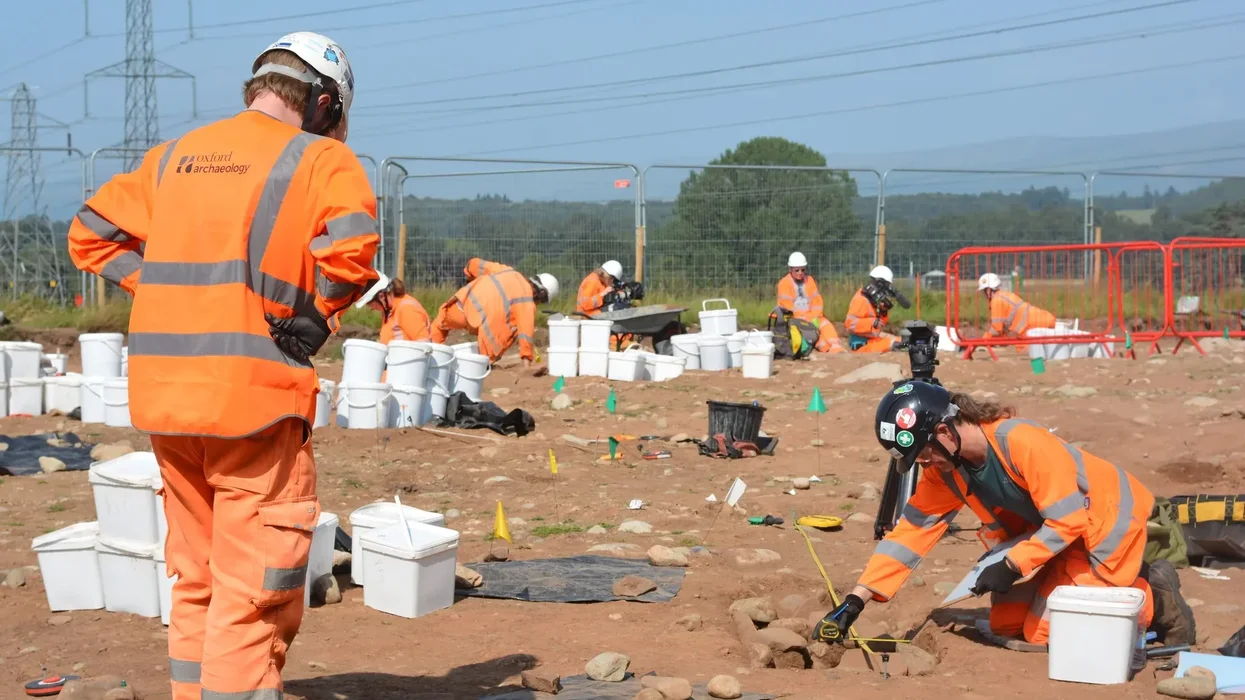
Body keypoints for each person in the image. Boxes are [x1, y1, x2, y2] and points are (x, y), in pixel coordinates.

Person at [66, 32, 378, 700]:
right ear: (324, 103)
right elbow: (352, 251)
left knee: (198, 578)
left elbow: (89, 233)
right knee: (252, 590)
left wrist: (156, 290)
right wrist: (318, 315)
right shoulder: (321, 159)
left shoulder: (173, 156)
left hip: (166, 399)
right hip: (254, 400)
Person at [813, 383, 1196, 648]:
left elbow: (1069, 520)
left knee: (1045, 633)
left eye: (925, 453)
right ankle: (1076, 586)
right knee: (1006, 624)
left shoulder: (1021, 441)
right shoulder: (947, 468)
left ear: (945, 431)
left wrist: (1011, 566)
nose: (925, 463)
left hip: (1104, 527)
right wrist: (856, 600)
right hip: (1056, 540)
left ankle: (1152, 595)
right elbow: (909, 533)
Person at [430, 260, 558, 365]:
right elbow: (525, 334)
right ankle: (486, 363)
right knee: (513, 329)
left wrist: (469, 276)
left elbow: (473, 264)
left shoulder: (506, 270)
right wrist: (527, 361)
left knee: (439, 324)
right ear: (541, 294)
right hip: (483, 327)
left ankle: (428, 357)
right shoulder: (527, 302)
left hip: (460, 308)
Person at [776, 251, 843, 353]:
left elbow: (816, 300)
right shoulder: (784, 283)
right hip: (795, 318)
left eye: (803, 270)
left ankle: (835, 347)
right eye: (797, 270)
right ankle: (825, 348)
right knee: (811, 333)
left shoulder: (809, 280)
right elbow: (787, 306)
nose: (800, 273)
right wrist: (804, 317)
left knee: (825, 324)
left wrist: (815, 315)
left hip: (812, 316)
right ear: (790, 270)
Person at [357, 272, 431, 343]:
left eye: (370, 304)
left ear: (381, 296)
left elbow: (424, 345)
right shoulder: (389, 311)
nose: (372, 308)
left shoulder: (407, 309)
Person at [978, 273, 1056, 339]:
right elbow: (1004, 326)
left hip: (1033, 326)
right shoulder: (1004, 295)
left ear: (988, 290)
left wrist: (983, 339)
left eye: (983, 291)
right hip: (1042, 320)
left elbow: (996, 329)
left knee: (1027, 351)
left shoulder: (996, 301)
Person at [844, 265, 901, 352]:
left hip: (872, 340)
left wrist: (883, 311)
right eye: (887, 285)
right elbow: (850, 324)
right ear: (880, 283)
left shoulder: (872, 299)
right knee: (894, 344)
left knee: (900, 341)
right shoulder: (861, 299)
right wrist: (872, 323)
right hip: (862, 345)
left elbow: (880, 324)